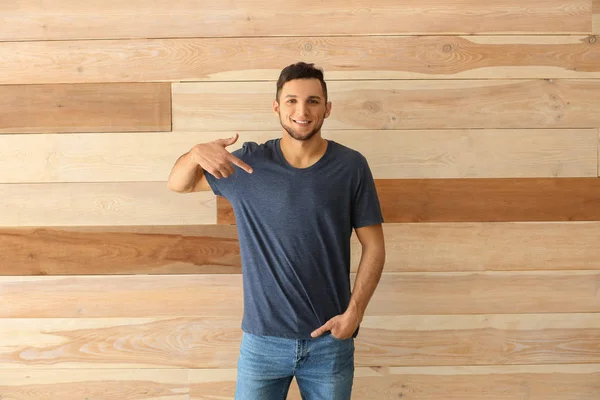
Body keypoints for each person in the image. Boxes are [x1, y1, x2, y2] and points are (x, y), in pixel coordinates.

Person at [167, 62, 386, 400]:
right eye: (291, 101)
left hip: (330, 342)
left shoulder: (351, 166)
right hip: (262, 344)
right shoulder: (247, 164)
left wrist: (354, 314)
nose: (302, 110)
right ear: (276, 107)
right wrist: (195, 153)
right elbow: (179, 184)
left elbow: (374, 247)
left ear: (327, 108)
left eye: (313, 101)